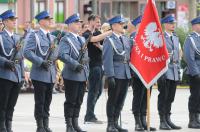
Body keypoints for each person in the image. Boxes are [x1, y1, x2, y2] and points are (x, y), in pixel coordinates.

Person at [24, 11, 56, 132]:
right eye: (48, 19)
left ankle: (46, 125)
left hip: (51, 74)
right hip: (39, 73)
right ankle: (40, 126)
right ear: (41, 21)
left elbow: (55, 54)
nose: (50, 21)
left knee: (48, 101)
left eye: (50, 19)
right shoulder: (34, 35)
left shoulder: (52, 37)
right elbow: (27, 52)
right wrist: (40, 61)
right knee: (40, 101)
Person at [58, 13, 88, 132]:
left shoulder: (81, 38)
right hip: (71, 74)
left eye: (79, 22)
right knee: (71, 100)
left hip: (82, 74)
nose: (79, 24)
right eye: (76, 22)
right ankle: (69, 125)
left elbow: (86, 56)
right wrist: (75, 64)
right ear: (70, 25)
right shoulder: (66, 39)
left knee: (79, 100)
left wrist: (86, 69)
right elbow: (62, 55)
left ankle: (75, 123)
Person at [103, 15, 132, 132]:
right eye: (120, 24)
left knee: (121, 100)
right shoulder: (109, 40)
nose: (123, 26)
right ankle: (110, 124)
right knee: (113, 99)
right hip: (115, 73)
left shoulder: (125, 39)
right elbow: (107, 59)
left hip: (125, 73)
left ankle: (116, 122)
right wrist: (110, 75)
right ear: (114, 26)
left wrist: (130, 74)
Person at [129, 15, 156, 131]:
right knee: (138, 97)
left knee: (146, 96)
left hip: (148, 72)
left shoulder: (148, 38)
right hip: (138, 73)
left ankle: (144, 121)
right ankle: (137, 122)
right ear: (138, 25)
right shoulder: (133, 38)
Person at [83, 14, 111, 124]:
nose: (99, 24)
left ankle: (90, 113)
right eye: (97, 22)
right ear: (91, 22)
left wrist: (100, 46)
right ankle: (89, 116)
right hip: (92, 66)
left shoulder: (99, 33)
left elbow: (105, 47)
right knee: (93, 91)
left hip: (100, 66)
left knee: (98, 91)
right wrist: (110, 32)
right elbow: (94, 39)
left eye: (100, 22)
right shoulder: (86, 33)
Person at [0, 10, 24, 132]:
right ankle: (2, 126)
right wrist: (4, 62)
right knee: (3, 103)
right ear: (4, 21)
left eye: (15, 19)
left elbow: (21, 57)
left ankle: (9, 126)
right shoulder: (0, 36)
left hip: (16, 75)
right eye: (12, 19)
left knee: (12, 104)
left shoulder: (17, 37)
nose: (15, 21)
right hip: (4, 75)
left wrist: (23, 75)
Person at [157, 14, 182, 130]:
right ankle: (162, 120)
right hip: (165, 70)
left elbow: (179, 55)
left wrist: (179, 70)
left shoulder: (175, 37)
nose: (173, 25)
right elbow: (156, 55)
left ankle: (168, 119)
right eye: (171, 23)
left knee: (171, 97)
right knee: (164, 96)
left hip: (174, 71)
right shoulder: (160, 37)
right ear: (165, 24)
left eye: (174, 23)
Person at [184, 16, 200, 129]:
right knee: (195, 96)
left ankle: (197, 118)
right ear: (195, 26)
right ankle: (192, 120)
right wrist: (196, 73)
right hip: (196, 73)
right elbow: (189, 58)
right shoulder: (190, 39)